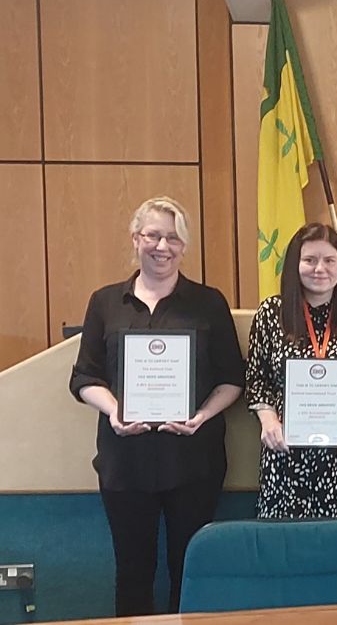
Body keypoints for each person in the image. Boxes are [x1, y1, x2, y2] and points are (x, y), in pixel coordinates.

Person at [69, 197, 244, 616]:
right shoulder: (105, 302)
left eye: (172, 237)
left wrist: (201, 416)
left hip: (193, 462)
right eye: (152, 235)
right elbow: (83, 378)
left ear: (184, 245)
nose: (162, 246)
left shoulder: (208, 302)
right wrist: (114, 411)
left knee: (191, 570)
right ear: (136, 239)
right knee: (132, 573)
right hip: (125, 463)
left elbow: (233, 379)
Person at [245, 223, 337, 520]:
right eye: (310, 260)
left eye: (329, 260)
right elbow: (255, 379)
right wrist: (268, 419)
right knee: (287, 555)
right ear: (294, 265)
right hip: (286, 457)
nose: (319, 269)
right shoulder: (270, 315)